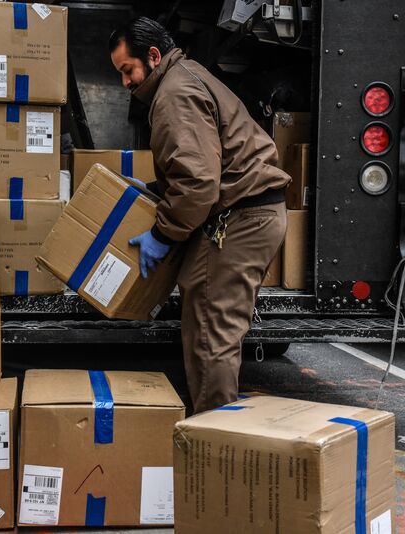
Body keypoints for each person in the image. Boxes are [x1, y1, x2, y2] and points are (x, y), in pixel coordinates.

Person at [109, 17, 290, 412]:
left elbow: (197, 183)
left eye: (128, 70)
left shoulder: (174, 94)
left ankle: (215, 442)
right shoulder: (186, 76)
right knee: (210, 320)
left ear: (153, 56)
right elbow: (204, 164)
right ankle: (218, 426)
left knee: (211, 334)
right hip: (248, 214)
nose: (125, 82)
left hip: (239, 220)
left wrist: (164, 233)